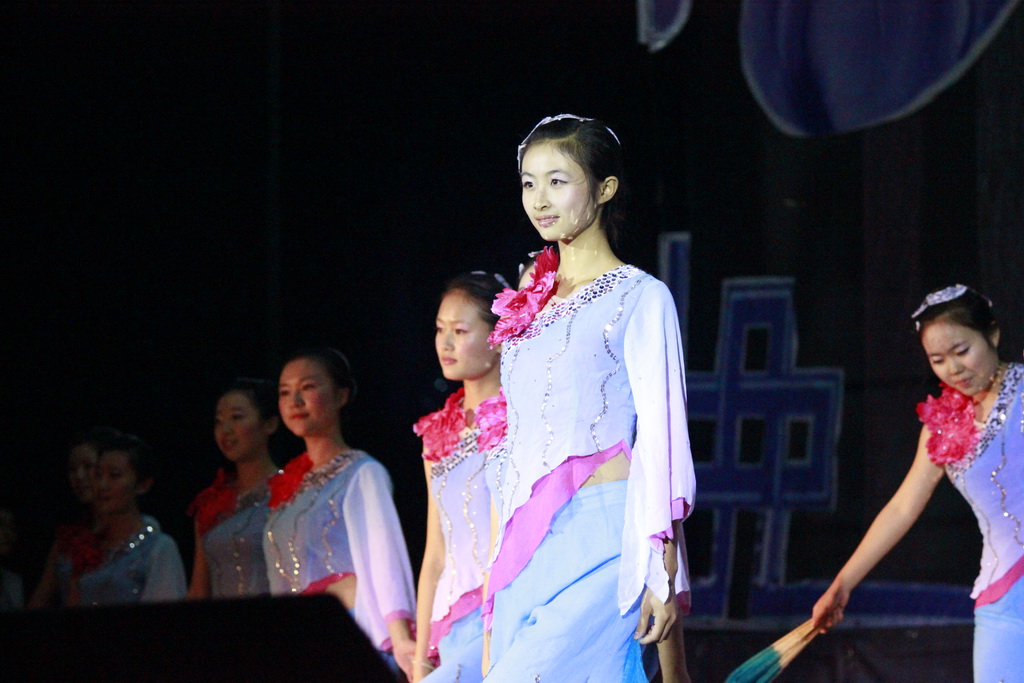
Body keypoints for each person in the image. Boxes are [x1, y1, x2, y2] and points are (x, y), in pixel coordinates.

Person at [482, 114, 695, 682]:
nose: (539, 199)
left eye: (558, 181)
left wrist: (663, 572)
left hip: (604, 535)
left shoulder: (640, 296)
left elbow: (662, 441)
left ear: (605, 189)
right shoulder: (527, 306)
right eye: (529, 183)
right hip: (526, 539)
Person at [812, 284, 1024, 682]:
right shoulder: (941, 424)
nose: (953, 369)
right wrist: (843, 585)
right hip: (1002, 599)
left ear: (993, 334)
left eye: (962, 351)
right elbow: (902, 507)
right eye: (938, 360)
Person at [266, 347, 416, 677]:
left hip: (348, 631)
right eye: (285, 392)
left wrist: (401, 638)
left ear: (341, 395)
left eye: (307, 387)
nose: (295, 401)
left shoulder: (362, 472)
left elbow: (385, 558)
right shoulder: (288, 488)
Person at [412, 273, 508, 683]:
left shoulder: (517, 420)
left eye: (460, 331)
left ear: (498, 336)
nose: (445, 344)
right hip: (448, 625)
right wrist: (420, 656)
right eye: (440, 329)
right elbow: (436, 551)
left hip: (503, 614)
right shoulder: (436, 433)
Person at [187, 378, 280, 599]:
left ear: (269, 424)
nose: (225, 430)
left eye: (236, 417)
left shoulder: (293, 492)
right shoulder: (211, 502)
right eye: (219, 421)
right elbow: (199, 590)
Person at [71, 433, 187, 606]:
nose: (102, 485)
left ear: (142, 485)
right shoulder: (89, 547)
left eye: (114, 475)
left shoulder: (158, 547)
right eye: (98, 475)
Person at [28, 426, 122, 608]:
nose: (78, 476)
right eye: (72, 469)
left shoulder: (135, 535)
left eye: (88, 467)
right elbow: (37, 603)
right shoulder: (65, 541)